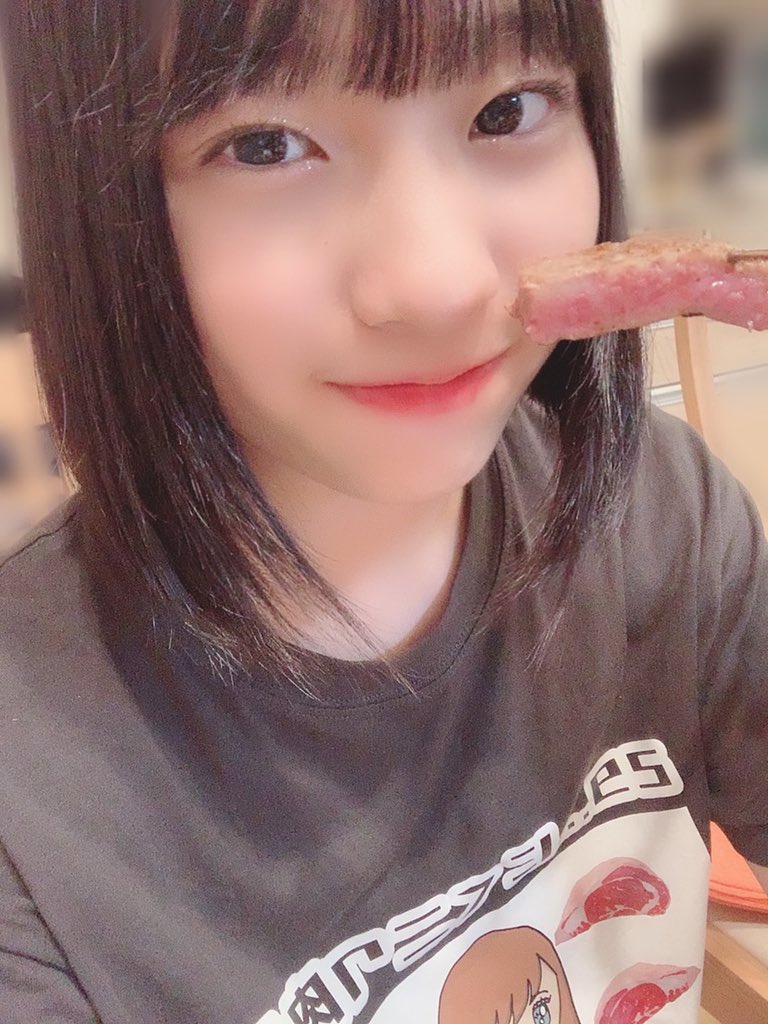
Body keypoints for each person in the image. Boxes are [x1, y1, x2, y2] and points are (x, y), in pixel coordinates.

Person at [0, 2, 765, 1022]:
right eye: (264, 145)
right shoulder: (30, 808)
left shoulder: (658, 505)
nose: (437, 285)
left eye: (506, 111)